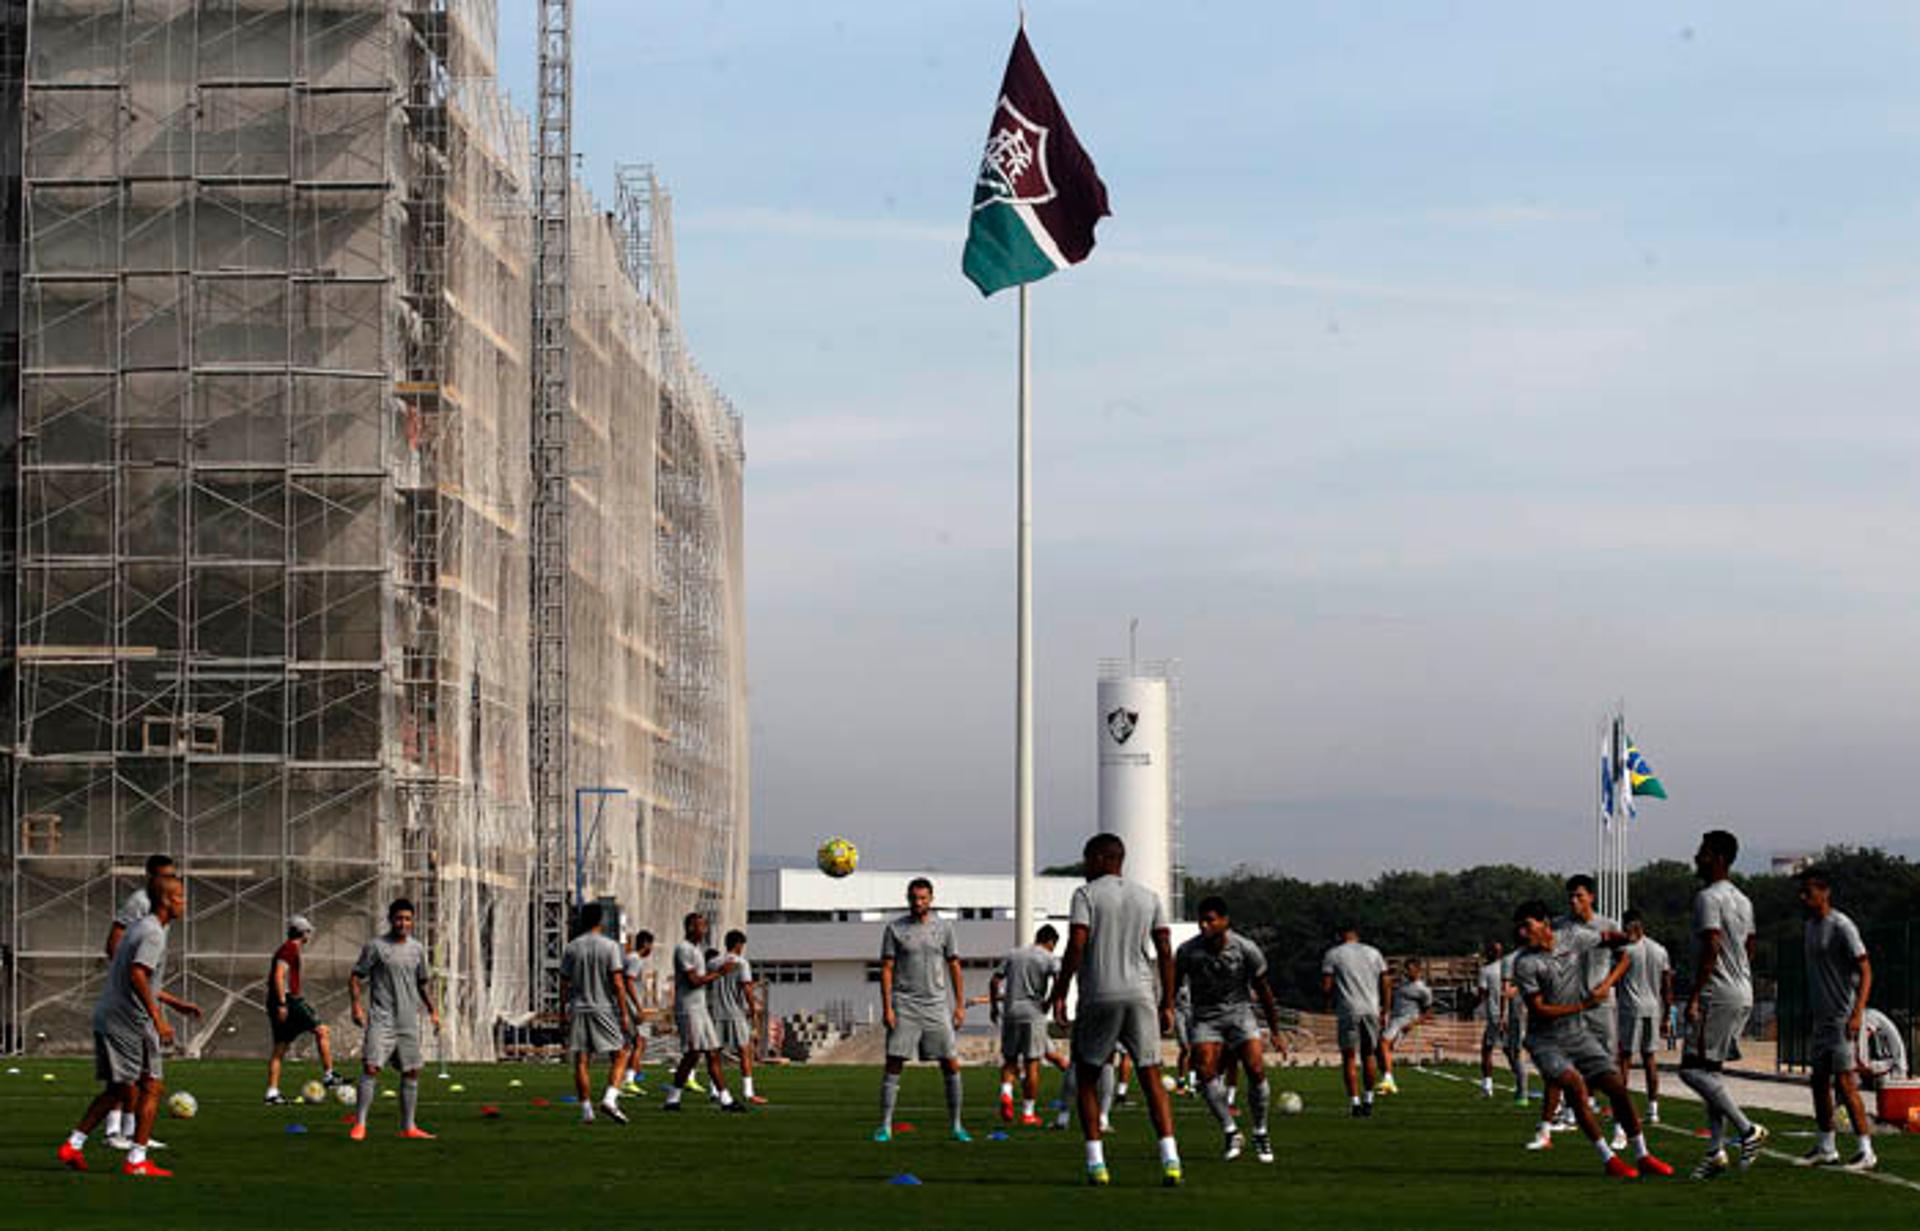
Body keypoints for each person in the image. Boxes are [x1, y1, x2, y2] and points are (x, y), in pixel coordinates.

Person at [1049, 832, 1181, 1187]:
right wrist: (1167, 1000)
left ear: (1100, 859)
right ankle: (1170, 1158)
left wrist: (1060, 993)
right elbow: (1165, 950)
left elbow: (1076, 944)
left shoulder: (1086, 895)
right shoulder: (1149, 897)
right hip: (1141, 996)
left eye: (1086, 861)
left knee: (1088, 1078)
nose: (1084, 869)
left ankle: (1097, 1163)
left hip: (1100, 995)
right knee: (1151, 1077)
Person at [1510, 899, 1673, 1180]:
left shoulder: (1571, 938)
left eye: (1527, 926)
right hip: (1545, 1039)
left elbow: (1609, 942)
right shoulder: (1524, 963)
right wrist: (1585, 1006)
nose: (1522, 933)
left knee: (1617, 1087)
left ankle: (1643, 1155)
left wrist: (1625, 941)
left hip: (1577, 1033)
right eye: (1519, 928)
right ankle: (1608, 1159)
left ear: (1545, 923)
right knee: (1574, 1085)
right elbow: (1539, 1009)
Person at [58, 872, 201, 1178]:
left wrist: (174, 1003)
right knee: (151, 1087)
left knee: (118, 1090)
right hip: (129, 1021)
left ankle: (73, 1144)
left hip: (114, 1016)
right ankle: (137, 1160)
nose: (185, 903)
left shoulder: (141, 928)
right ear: (166, 900)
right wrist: (158, 1018)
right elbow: (137, 974)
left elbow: (138, 976)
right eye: (181, 897)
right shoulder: (154, 933)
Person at [1678, 829, 1767, 1179]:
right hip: (1741, 989)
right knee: (1710, 1073)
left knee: (1690, 1070)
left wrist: (1697, 993)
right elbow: (1750, 945)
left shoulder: (1708, 898)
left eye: (1701, 851)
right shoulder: (1744, 900)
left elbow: (1712, 946)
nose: (1696, 857)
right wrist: (1739, 974)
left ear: (1716, 857)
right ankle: (1715, 1151)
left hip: (1718, 992)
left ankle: (1747, 1130)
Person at [1175, 896, 1281, 1165]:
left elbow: (1264, 990)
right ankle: (1230, 1130)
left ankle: (1260, 1131)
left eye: (1210, 919)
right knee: (1205, 1071)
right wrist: (1165, 1008)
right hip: (1205, 1018)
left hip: (1240, 1015)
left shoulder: (1246, 949)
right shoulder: (1188, 951)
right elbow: (1174, 983)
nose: (1204, 925)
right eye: (1201, 919)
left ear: (1224, 921)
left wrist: (1275, 1029)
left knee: (1256, 1069)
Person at [1531, 874, 1625, 1150]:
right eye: (1570, 896)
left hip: (1600, 1006)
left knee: (1608, 1067)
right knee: (1558, 1064)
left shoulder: (1607, 925)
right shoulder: (1560, 926)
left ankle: (1621, 1127)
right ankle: (1546, 1128)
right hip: (1569, 1007)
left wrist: (1607, 984)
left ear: (1591, 898)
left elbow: (1625, 958)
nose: (1574, 901)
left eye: (1579, 896)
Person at [874, 877, 968, 1142]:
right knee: (894, 1062)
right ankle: (884, 1126)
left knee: (950, 1063)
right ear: (908, 899)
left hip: (936, 1005)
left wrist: (959, 1005)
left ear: (931, 899)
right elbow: (887, 969)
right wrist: (887, 1007)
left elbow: (954, 966)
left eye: (923, 898)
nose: (918, 903)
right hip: (905, 1003)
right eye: (914, 898)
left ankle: (957, 1125)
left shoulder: (945, 928)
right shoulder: (895, 929)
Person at [1796, 868, 1876, 1171]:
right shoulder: (1809, 927)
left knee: (1845, 1082)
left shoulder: (1842, 926)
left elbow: (1866, 970)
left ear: (1824, 892)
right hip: (1821, 1018)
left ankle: (1865, 1149)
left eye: (1809, 892)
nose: (1803, 897)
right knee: (1818, 1082)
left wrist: (1857, 1013)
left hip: (1843, 1016)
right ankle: (1826, 1146)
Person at [99, 853, 175, 1151]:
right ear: (150, 876)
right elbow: (114, 941)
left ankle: (130, 1133)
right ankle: (112, 1130)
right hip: (129, 1000)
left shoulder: (162, 904)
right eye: (163, 875)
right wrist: (126, 976)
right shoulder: (139, 903)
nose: (168, 880)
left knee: (139, 1071)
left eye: (171, 874)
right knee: (127, 1071)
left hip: (142, 997)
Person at [348, 898, 440, 1141]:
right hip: (381, 1018)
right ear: (391, 920)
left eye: (407, 919)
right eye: (399, 918)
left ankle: (409, 1127)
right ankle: (360, 1125)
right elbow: (356, 976)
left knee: (411, 1072)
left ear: (412, 921)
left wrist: (433, 1010)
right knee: (371, 1067)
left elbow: (422, 983)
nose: (403, 923)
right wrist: (356, 1006)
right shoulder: (376, 947)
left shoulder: (418, 949)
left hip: (408, 1020)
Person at [662, 912, 743, 1112]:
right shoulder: (683, 949)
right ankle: (673, 1099)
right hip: (688, 1008)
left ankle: (726, 1099)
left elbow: (701, 979)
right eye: (701, 926)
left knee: (713, 1052)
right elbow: (694, 981)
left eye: (705, 926)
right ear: (690, 927)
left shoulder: (697, 950)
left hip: (700, 1008)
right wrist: (720, 972)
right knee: (692, 1054)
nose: (704, 930)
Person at [560, 902, 633, 1124]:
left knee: (582, 1060)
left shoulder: (572, 947)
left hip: (578, 1008)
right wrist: (624, 1013)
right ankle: (610, 1099)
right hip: (603, 1007)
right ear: (601, 920)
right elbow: (618, 984)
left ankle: (586, 1111)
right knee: (621, 1053)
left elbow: (564, 984)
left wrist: (563, 1011)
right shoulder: (610, 947)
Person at [991, 924, 1068, 1127]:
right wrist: (1051, 1003)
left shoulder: (1013, 954)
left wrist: (993, 1007)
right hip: (1033, 1013)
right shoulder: (1049, 958)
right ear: (1051, 942)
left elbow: (994, 980)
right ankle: (1028, 1113)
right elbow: (1060, 982)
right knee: (1031, 1064)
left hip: (1011, 1012)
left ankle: (1006, 1094)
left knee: (1009, 1060)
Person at [264, 914, 340, 1104]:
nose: (310, 935)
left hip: (280, 1000)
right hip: (288, 1000)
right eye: (308, 932)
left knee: (280, 1049)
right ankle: (329, 1076)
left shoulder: (290, 948)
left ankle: (272, 1093)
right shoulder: (289, 949)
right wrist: (282, 1003)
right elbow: (278, 976)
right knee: (321, 1030)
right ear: (303, 932)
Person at [1612, 909, 1671, 1138]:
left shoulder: (1624, 950)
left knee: (1624, 1058)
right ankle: (1653, 1109)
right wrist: (1666, 1015)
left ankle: (1621, 1108)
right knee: (1649, 1058)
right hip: (1653, 1007)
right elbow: (1667, 984)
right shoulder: (1660, 950)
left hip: (1631, 1008)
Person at [1321, 925, 1388, 1117]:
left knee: (1349, 1057)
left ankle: (1355, 1103)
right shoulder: (1374, 953)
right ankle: (1369, 1100)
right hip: (1371, 1009)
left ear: (1341, 935)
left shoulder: (1333, 954)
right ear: (1357, 935)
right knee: (1369, 1055)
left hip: (1348, 1010)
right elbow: (1385, 981)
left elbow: (1327, 986)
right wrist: (1385, 1007)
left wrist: (1327, 1004)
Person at [711, 929, 765, 1105]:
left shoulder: (713, 962)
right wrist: (753, 1009)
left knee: (715, 1054)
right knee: (745, 1050)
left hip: (716, 1012)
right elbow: (746, 988)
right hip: (735, 1012)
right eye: (742, 945)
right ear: (738, 945)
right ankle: (748, 1092)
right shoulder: (742, 963)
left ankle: (714, 1090)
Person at [1376, 957, 1433, 1095]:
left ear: (1418, 970)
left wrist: (1413, 1023)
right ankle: (1389, 1084)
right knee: (1381, 1051)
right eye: (1406, 969)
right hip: (1395, 1019)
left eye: (1410, 969)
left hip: (1405, 1020)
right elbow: (1389, 988)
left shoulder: (1423, 989)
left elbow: (1428, 1012)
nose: (1407, 972)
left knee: (1383, 1043)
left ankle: (1388, 1078)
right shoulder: (1402, 983)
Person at [615, 929, 655, 1094]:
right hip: (632, 1005)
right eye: (651, 944)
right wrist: (639, 1007)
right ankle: (628, 1080)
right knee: (639, 1041)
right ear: (646, 944)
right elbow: (629, 982)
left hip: (627, 1004)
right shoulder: (635, 959)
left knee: (632, 1042)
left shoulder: (629, 957)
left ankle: (626, 1078)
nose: (651, 948)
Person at [1856, 1007, 1908, 1085]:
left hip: (1894, 1065)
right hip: (1894, 1062)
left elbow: (1863, 1040)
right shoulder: (1872, 1015)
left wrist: (1860, 1061)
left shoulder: (1867, 1015)